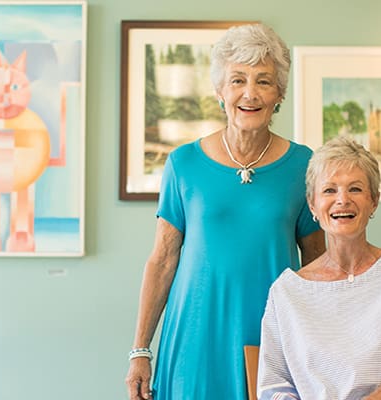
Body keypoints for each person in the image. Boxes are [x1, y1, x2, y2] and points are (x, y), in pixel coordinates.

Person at [125, 23, 325, 400]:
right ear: (220, 91)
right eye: (238, 80)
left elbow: (318, 261)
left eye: (264, 81)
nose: (250, 93)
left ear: (279, 93)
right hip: (194, 337)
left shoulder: (304, 165)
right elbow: (163, 260)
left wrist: (322, 346)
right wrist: (140, 350)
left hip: (272, 336)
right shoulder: (183, 163)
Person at [257, 136, 381, 400]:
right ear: (312, 206)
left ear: (374, 201)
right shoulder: (286, 292)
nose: (342, 200)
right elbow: (274, 385)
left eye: (354, 189)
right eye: (329, 190)